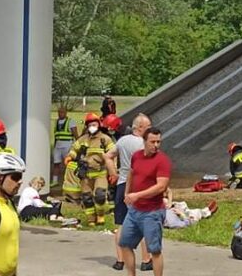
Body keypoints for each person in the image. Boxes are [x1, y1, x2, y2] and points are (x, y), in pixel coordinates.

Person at [119, 128, 172, 276]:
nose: (156, 145)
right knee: (124, 244)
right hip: (135, 210)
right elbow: (131, 173)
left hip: (152, 212)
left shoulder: (162, 161)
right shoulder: (136, 156)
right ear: (144, 141)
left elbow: (161, 186)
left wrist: (138, 195)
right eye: (152, 142)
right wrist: (127, 192)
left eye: (158, 142)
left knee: (154, 250)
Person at [105, 113, 152, 271]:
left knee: (121, 224)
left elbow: (108, 156)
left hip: (121, 185)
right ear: (140, 127)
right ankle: (146, 260)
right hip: (138, 187)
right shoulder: (143, 144)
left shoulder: (122, 141)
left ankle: (120, 261)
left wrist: (114, 173)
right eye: (148, 127)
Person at [65, 112, 117, 226]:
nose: (92, 127)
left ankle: (100, 215)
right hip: (85, 174)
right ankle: (91, 219)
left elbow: (113, 155)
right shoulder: (83, 139)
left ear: (99, 125)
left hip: (100, 173)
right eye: (89, 125)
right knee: (87, 198)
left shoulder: (105, 139)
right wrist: (70, 156)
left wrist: (113, 172)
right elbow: (74, 149)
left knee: (100, 195)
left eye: (94, 124)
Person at [52, 107, 78, 186]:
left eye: (62, 112)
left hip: (67, 145)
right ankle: (55, 181)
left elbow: (75, 134)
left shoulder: (70, 121)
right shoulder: (56, 122)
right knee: (56, 163)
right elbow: (56, 135)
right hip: (58, 146)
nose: (60, 114)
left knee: (68, 163)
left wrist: (78, 145)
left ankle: (69, 180)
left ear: (66, 113)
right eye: (59, 112)